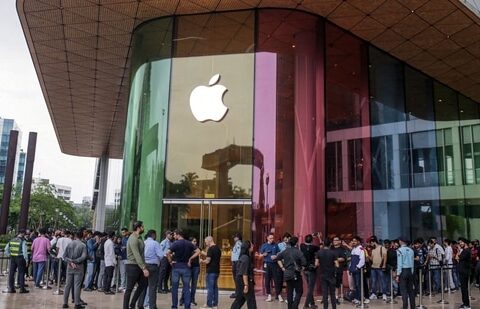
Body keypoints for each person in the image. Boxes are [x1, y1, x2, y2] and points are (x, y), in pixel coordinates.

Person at [166, 229, 199, 309]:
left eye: (174, 235)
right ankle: (187, 306)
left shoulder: (175, 244)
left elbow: (167, 253)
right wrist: (190, 259)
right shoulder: (189, 243)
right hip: (186, 267)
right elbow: (198, 251)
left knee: (174, 288)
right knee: (186, 287)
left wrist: (170, 261)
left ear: (178, 234)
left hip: (176, 267)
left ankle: (174, 306)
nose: (174, 236)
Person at [123, 221, 149, 309]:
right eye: (142, 227)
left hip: (138, 266)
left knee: (143, 285)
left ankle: (132, 304)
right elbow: (136, 254)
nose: (143, 228)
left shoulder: (139, 238)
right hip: (132, 266)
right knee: (129, 289)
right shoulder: (133, 238)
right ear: (138, 227)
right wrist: (144, 268)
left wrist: (142, 266)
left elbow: (141, 254)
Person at [276, 236, 306, 309]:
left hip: (287, 273)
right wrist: (301, 269)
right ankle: (294, 306)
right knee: (299, 291)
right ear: (296, 243)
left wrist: (282, 267)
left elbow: (278, 258)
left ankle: (290, 307)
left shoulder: (285, 251)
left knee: (289, 291)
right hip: (295, 274)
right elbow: (304, 262)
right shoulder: (298, 252)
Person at [62, 231, 88, 309]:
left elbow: (64, 256)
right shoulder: (83, 245)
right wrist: (75, 261)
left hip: (70, 267)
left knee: (67, 285)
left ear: (76, 235)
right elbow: (84, 257)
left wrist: (71, 261)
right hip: (79, 267)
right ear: (82, 236)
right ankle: (77, 304)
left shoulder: (70, 244)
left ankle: (65, 303)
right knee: (77, 285)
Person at [231, 240, 257, 309]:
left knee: (240, 299)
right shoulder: (246, 258)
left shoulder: (242, 257)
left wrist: (252, 269)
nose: (252, 246)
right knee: (251, 300)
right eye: (251, 245)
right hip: (244, 281)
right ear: (248, 247)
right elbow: (244, 273)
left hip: (240, 281)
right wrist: (246, 285)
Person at [141, 229, 163, 309]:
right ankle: (152, 306)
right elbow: (161, 255)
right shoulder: (155, 243)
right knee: (152, 287)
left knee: (143, 286)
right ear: (153, 235)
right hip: (153, 267)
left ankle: (142, 304)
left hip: (143, 266)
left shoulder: (143, 242)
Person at [3, 229, 29, 293]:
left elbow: (6, 249)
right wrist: (26, 260)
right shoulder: (23, 241)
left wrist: (10, 255)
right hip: (20, 258)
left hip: (13, 258)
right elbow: (25, 251)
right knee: (21, 273)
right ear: (23, 233)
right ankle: (22, 288)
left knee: (11, 273)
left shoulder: (12, 240)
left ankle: (11, 288)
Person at [259, 233, 283, 302]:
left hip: (275, 264)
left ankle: (278, 294)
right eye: (270, 238)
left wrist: (276, 256)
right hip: (267, 264)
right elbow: (260, 255)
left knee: (276, 280)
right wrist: (264, 254)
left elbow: (279, 253)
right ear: (267, 238)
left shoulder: (276, 245)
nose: (272, 239)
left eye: (272, 238)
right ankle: (269, 295)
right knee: (267, 280)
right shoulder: (264, 246)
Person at [315, 239, 337, 309]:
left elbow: (316, 264)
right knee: (332, 293)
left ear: (323, 244)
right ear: (330, 244)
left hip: (323, 274)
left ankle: (325, 307)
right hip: (331, 274)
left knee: (325, 293)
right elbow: (337, 265)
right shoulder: (333, 253)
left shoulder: (319, 252)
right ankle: (334, 307)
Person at [201, 236, 221, 309]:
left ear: (209, 241)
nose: (206, 244)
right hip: (217, 270)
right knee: (215, 287)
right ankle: (215, 304)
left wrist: (202, 261)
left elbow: (208, 260)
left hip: (210, 271)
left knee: (210, 288)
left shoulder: (210, 249)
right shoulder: (218, 248)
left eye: (206, 242)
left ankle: (209, 305)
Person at [300, 234, 319, 308]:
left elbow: (305, 242)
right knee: (311, 288)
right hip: (311, 269)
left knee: (309, 286)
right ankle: (306, 305)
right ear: (312, 240)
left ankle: (312, 303)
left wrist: (311, 236)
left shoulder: (302, 246)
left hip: (305, 269)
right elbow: (322, 246)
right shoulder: (314, 248)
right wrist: (319, 238)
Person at [180, 237, 200, 307]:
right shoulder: (187, 248)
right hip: (188, 267)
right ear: (190, 242)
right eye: (194, 241)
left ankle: (192, 300)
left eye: (196, 241)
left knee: (194, 285)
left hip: (196, 267)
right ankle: (182, 299)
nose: (195, 243)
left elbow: (200, 253)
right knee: (186, 284)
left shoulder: (197, 248)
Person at [396, 237, 415, 309]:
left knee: (403, 290)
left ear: (401, 241)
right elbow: (412, 263)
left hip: (403, 271)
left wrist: (398, 274)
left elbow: (399, 263)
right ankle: (413, 307)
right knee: (411, 290)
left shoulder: (399, 250)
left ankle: (405, 307)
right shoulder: (411, 250)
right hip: (410, 271)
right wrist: (412, 272)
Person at [368, 236, 387, 301]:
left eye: (371, 243)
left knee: (382, 281)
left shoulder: (382, 248)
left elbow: (385, 256)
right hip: (373, 267)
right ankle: (374, 294)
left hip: (380, 267)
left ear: (374, 242)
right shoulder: (373, 250)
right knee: (373, 281)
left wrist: (384, 265)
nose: (370, 244)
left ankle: (384, 294)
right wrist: (367, 255)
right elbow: (371, 259)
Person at [349, 236, 365, 305]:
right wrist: (350, 268)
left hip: (358, 270)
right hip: (353, 269)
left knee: (359, 284)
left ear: (358, 241)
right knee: (355, 285)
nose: (353, 242)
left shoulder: (361, 249)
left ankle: (360, 298)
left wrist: (357, 267)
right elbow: (352, 260)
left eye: (355, 241)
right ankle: (356, 298)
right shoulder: (353, 249)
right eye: (353, 241)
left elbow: (362, 260)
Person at [457, 238, 471, 309]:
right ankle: (465, 303)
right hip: (462, 271)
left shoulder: (466, 251)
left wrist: (459, 251)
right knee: (463, 288)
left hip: (464, 272)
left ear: (465, 243)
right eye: (459, 243)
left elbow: (459, 257)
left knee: (464, 289)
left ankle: (466, 305)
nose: (460, 244)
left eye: (461, 242)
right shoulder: (465, 251)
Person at [103, 231, 116, 295]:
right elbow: (111, 254)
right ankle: (107, 290)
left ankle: (105, 288)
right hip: (110, 262)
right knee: (109, 276)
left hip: (107, 261)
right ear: (113, 236)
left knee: (106, 276)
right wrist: (115, 262)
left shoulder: (106, 241)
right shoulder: (110, 243)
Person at [230, 232, 242, 299]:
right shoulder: (237, 244)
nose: (234, 238)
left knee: (237, 278)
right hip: (236, 262)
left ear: (237, 237)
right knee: (236, 278)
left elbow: (239, 253)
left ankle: (238, 293)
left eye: (235, 237)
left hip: (237, 262)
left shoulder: (238, 244)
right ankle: (237, 292)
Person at [119, 227, 129, 292]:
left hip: (127, 258)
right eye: (122, 232)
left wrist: (125, 247)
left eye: (124, 232)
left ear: (127, 232)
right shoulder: (122, 239)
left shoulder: (129, 239)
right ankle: (122, 285)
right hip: (121, 258)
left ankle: (126, 286)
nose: (123, 233)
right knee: (122, 273)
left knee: (126, 273)